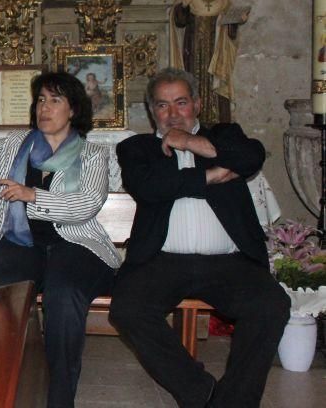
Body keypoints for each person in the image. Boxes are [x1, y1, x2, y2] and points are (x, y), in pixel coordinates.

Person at [110, 68, 290, 407]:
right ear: (152, 111)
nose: (173, 114)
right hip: (161, 261)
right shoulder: (138, 148)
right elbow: (151, 188)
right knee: (128, 309)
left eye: (181, 103)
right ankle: (201, 392)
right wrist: (211, 175)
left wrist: (191, 143)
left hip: (230, 263)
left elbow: (250, 157)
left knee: (271, 305)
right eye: (162, 106)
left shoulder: (225, 135)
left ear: (196, 104)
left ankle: (232, 402)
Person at [0, 72, 119, 408]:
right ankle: (6, 388)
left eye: (55, 100)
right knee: (3, 292)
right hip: (20, 240)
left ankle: (60, 398)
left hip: (75, 242)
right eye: (41, 99)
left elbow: (86, 205)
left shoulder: (91, 154)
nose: (44, 107)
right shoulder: (15, 145)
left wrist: (33, 196)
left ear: (73, 109)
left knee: (63, 293)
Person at [169, 0, 246, 125]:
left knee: (215, 86)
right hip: (194, 47)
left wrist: (235, 22)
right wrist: (184, 7)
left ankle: (219, 125)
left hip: (216, 49)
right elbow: (178, 22)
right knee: (192, 82)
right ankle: (193, 122)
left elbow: (229, 19)